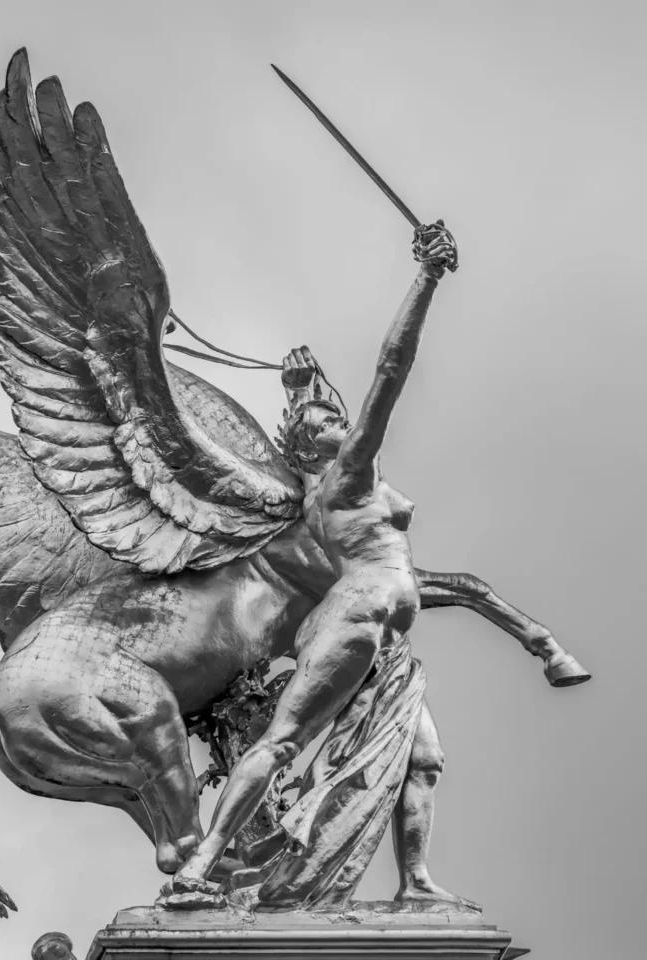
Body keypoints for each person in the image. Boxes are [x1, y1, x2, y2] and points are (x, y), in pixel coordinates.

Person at [171, 221, 460, 897]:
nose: (341, 421)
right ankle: (199, 864)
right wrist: (426, 276)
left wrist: (301, 390)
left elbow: (322, 424)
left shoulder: (334, 483)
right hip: (357, 614)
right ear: (312, 447)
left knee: (425, 759)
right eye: (327, 421)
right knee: (283, 742)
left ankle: (416, 882)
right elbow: (390, 372)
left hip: (388, 640)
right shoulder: (344, 480)